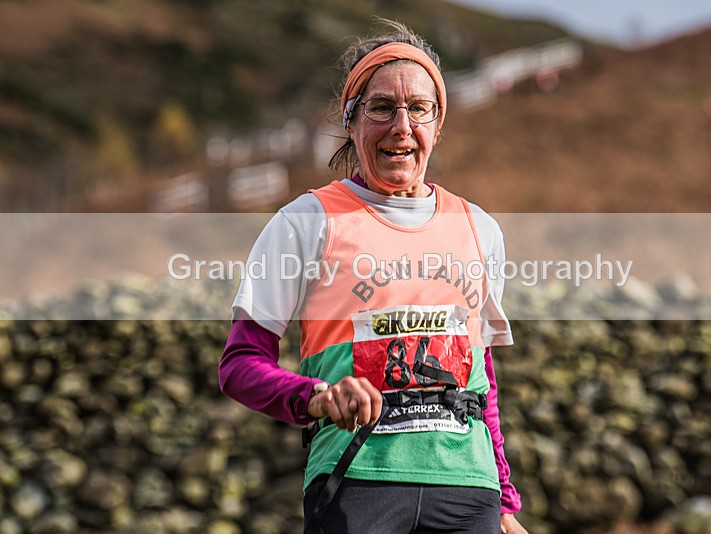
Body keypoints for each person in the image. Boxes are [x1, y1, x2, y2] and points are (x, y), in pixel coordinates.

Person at [219, 20, 527, 534]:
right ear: (352, 120)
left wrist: (505, 504)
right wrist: (317, 396)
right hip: (357, 479)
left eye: (419, 109)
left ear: (437, 123)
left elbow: (482, 379)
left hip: (468, 489)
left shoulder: (479, 228)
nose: (401, 126)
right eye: (382, 107)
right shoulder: (306, 221)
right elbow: (240, 364)